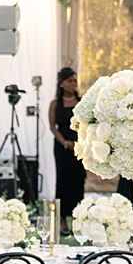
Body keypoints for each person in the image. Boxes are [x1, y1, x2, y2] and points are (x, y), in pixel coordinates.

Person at [48, 66, 88, 227]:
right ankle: (62, 217)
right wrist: (65, 143)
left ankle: (78, 217)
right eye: (69, 81)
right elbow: (53, 127)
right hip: (62, 147)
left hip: (79, 147)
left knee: (78, 179)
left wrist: (80, 143)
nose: (73, 84)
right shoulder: (55, 104)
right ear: (62, 83)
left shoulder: (81, 102)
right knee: (63, 180)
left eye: (75, 81)